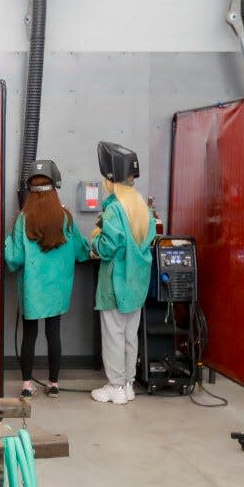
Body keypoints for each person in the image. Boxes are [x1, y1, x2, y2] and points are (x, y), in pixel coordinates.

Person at [4, 160, 90, 398]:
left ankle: (26, 385)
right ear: (55, 188)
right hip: (57, 288)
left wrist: (8, 241)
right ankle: (53, 384)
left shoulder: (23, 220)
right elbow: (81, 251)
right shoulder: (66, 218)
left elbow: (15, 258)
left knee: (29, 335)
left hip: (32, 287)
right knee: (54, 333)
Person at [89, 142, 156, 405]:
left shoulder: (114, 208)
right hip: (136, 284)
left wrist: (95, 240)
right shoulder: (142, 207)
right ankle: (128, 384)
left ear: (110, 179)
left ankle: (115, 387)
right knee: (130, 336)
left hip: (116, 283)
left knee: (113, 336)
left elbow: (109, 246)